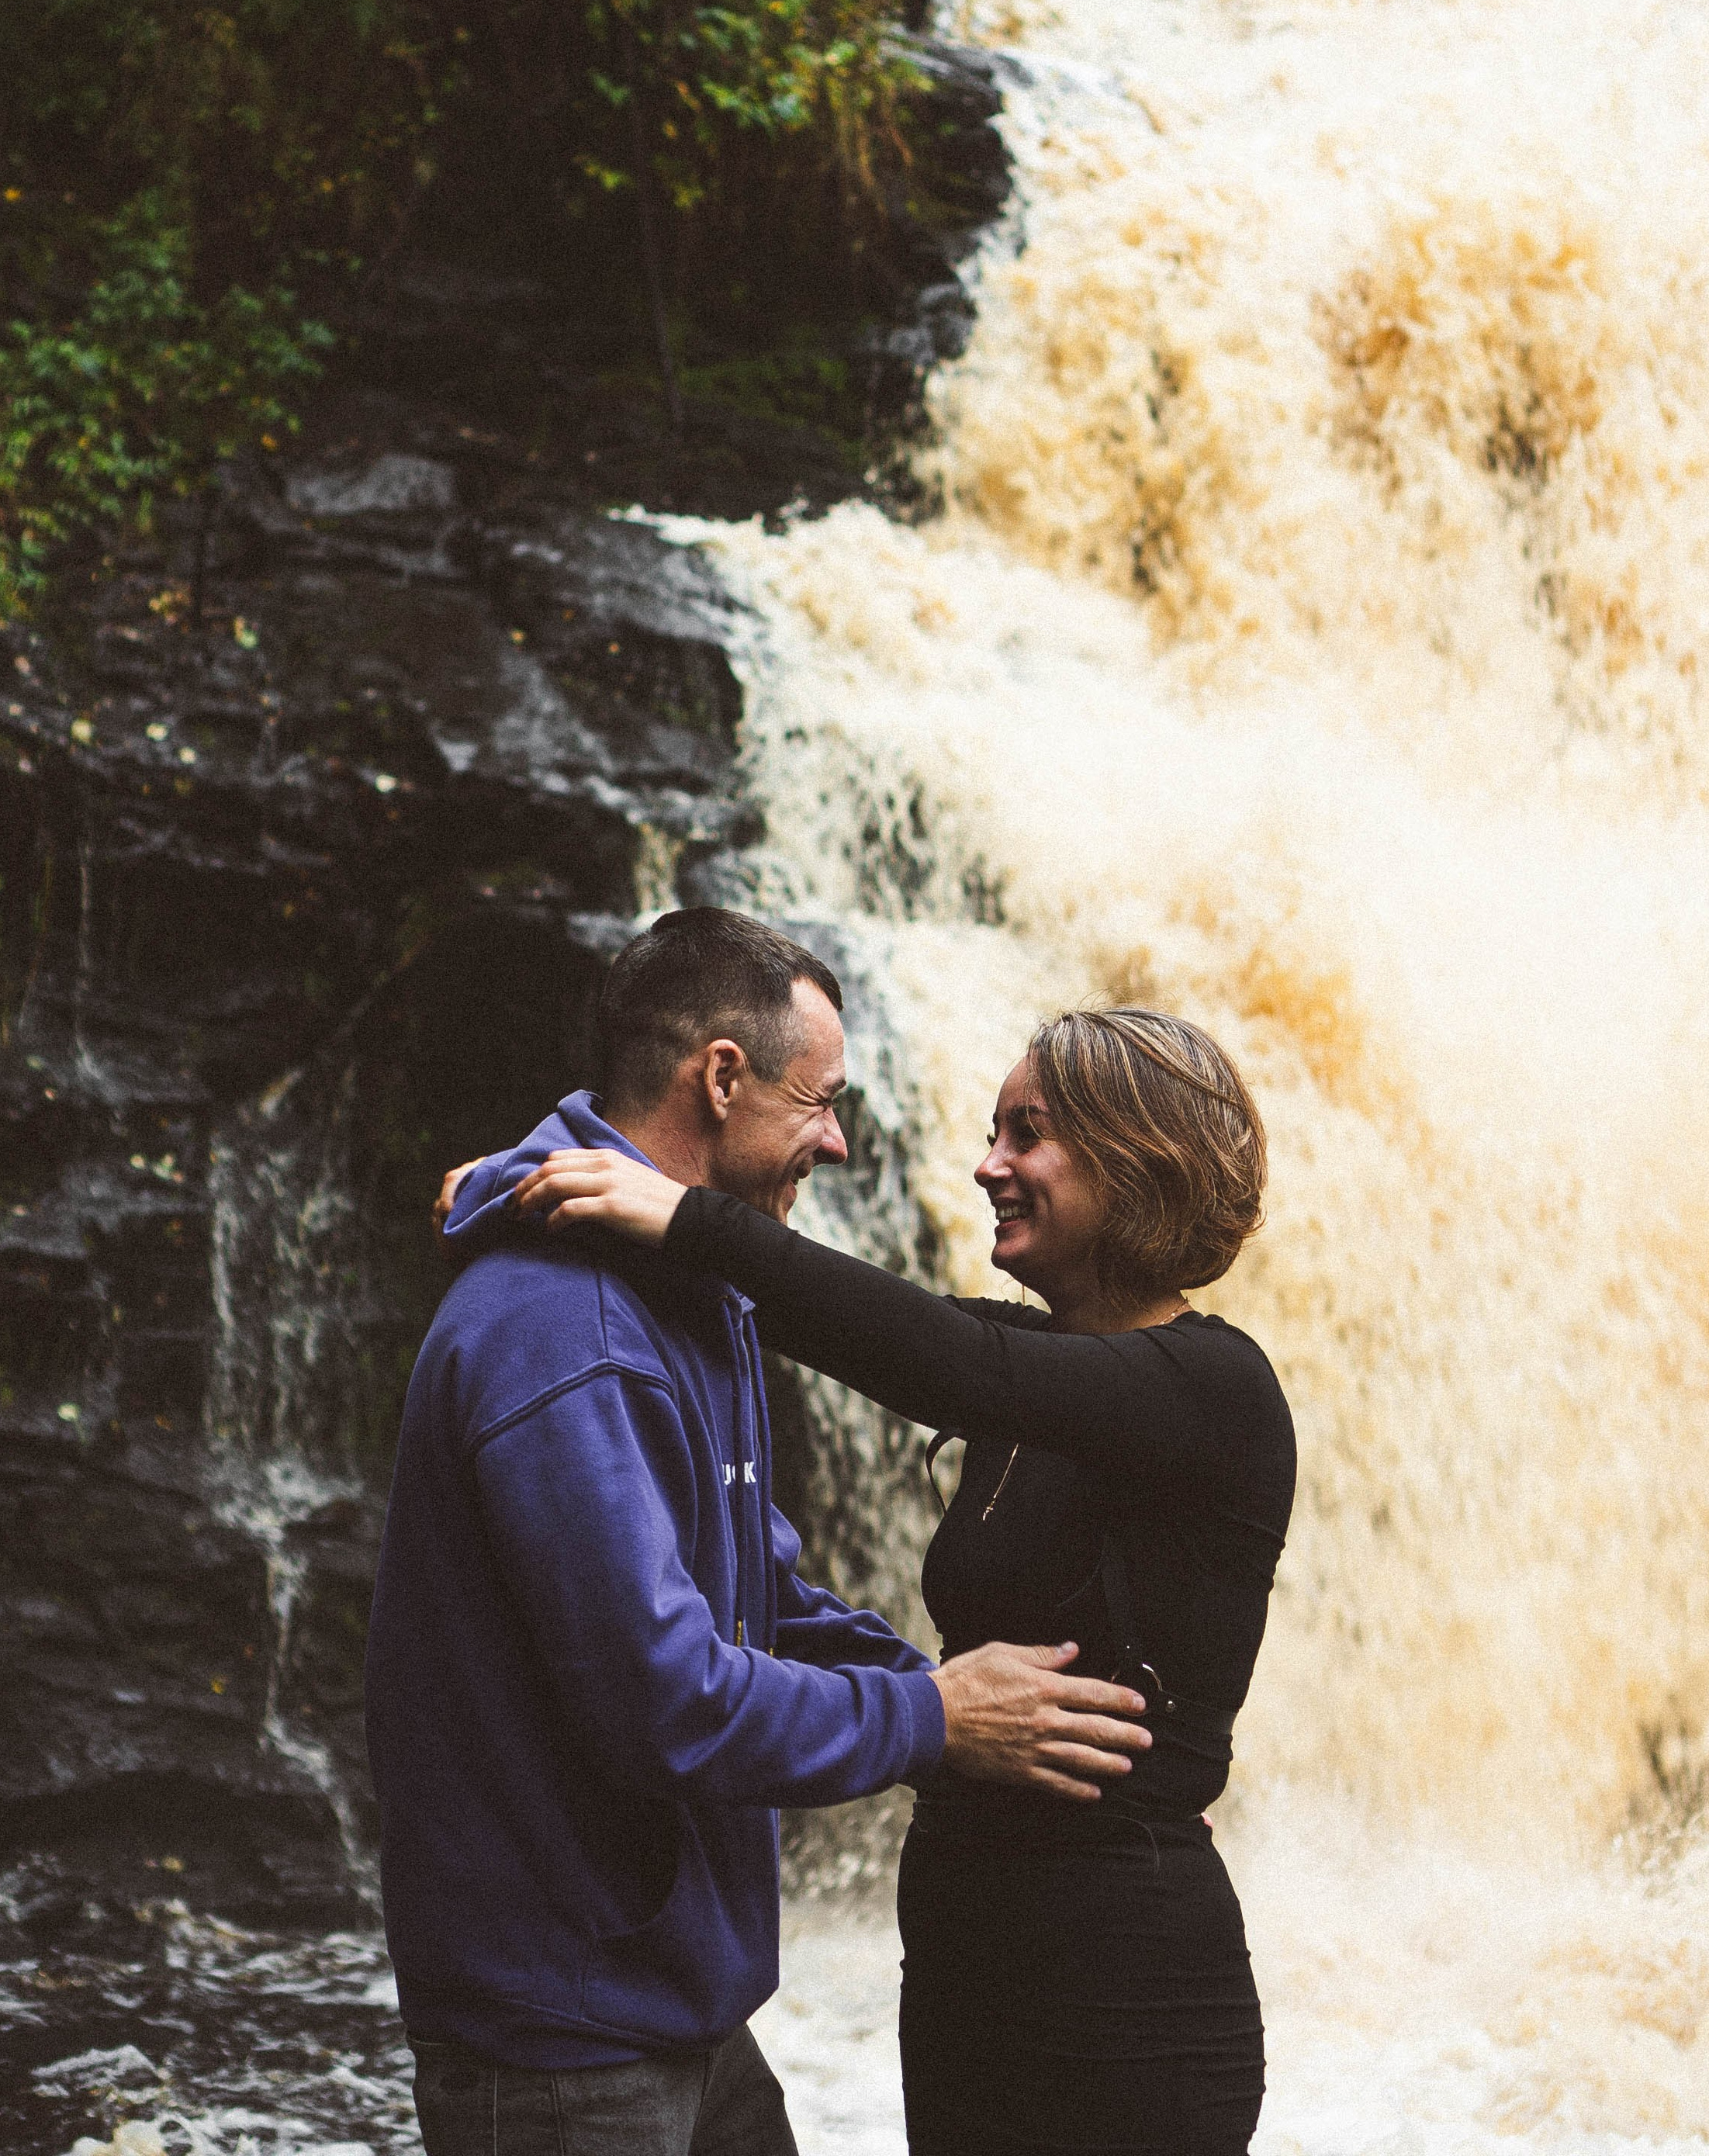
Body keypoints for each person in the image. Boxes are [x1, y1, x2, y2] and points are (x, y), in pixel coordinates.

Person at [368, 908, 1149, 2156]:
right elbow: (667, 1696)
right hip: (565, 2031)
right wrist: (937, 1721)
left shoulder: (681, 1286)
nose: (839, 1140)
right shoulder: (573, 1335)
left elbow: (756, 1595)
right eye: (819, 1099)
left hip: (670, 1997)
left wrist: (1025, 1727)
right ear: (721, 1078)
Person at [488, 1001, 1296, 2156]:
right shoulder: (1038, 1375)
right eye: (992, 1133)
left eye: (1027, 1135)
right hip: (971, 1973)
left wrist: (690, 1217)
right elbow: (863, 1323)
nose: (987, 1167)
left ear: (1137, 1157)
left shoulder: (1214, 1390)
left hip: (1122, 1991)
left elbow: (939, 1355)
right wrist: (519, 1196)